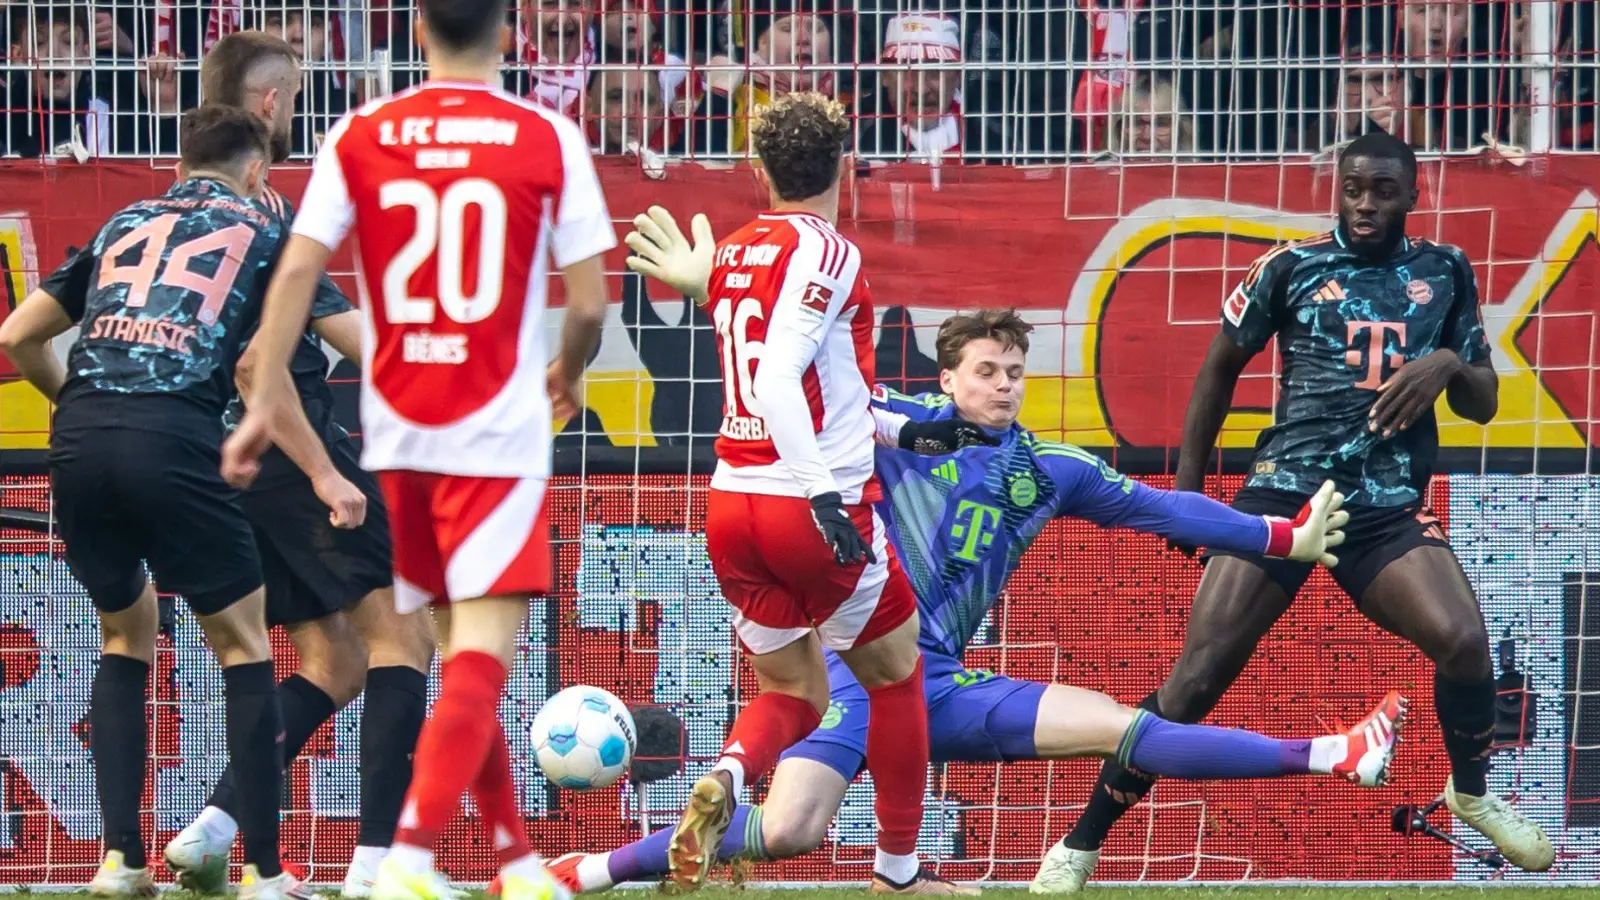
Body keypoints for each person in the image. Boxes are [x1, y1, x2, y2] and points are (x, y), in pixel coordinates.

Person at [541, 308, 1401, 894]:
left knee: (1119, 726)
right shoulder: (889, 430)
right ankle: (591, 871)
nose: (1004, 384)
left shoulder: (1047, 469)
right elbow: (794, 396)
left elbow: (1163, 510)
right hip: (856, 680)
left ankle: (1329, 754)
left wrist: (1281, 538)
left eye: (1015, 371)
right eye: (986, 370)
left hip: (946, 686)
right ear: (948, 378)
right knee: (793, 828)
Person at [1040, 130, 1555, 892]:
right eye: (1354, 188)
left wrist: (1446, 364)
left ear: (1413, 196)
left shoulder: (1444, 272)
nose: (1366, 204)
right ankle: (1081, 844)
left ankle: (1470, 793)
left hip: (1383, 507)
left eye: (1383, 190)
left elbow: (1483, 403)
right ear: (1337, 190)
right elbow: (1218, 367)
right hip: (1287, 495)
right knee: (1196, 681)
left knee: (1465, 640)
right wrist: (1188, 494)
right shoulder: (1291, 266)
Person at [219, 2, 615, 899]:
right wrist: (569, 370)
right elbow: (588, 305)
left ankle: (515, 862)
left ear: (417, 33)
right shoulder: (545, 136)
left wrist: (256, 407)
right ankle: (407, 856)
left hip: (399, 437)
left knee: (449, 644)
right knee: (479, 653)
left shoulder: (362, 133)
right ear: (509, 37)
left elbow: (294, 273)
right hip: (497, 434)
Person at [624, 92, 1016, 897]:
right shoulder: (830, 252)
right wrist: (822, 496)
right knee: (898, 675)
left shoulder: (733, 254)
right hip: (808, 505)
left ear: (758, 170)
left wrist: (910, 435)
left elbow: (828, 394)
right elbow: (776, 376)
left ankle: (729, 777)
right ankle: (900, 875)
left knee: (793, 692)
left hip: (732, 506)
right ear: (844, 164)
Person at [0, 105, 325, 900]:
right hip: (175, 438)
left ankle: (119, 863)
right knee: (245, 647)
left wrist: (79, 401)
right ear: (257, 173)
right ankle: (265, 871)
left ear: (180, 165)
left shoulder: (124, 221)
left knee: (125, 632)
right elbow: (302, 352)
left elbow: (15, 337)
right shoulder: (264, 232)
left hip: (78, 442)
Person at [160, 31, 436, 900]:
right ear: (272, 104)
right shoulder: (264, 217)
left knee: (335, 663)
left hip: (209, 465)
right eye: (300, 92)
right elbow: (340, 346)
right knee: (405, 639)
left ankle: (210, 832)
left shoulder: (167, 210)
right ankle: (378, 867)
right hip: (284, 450)